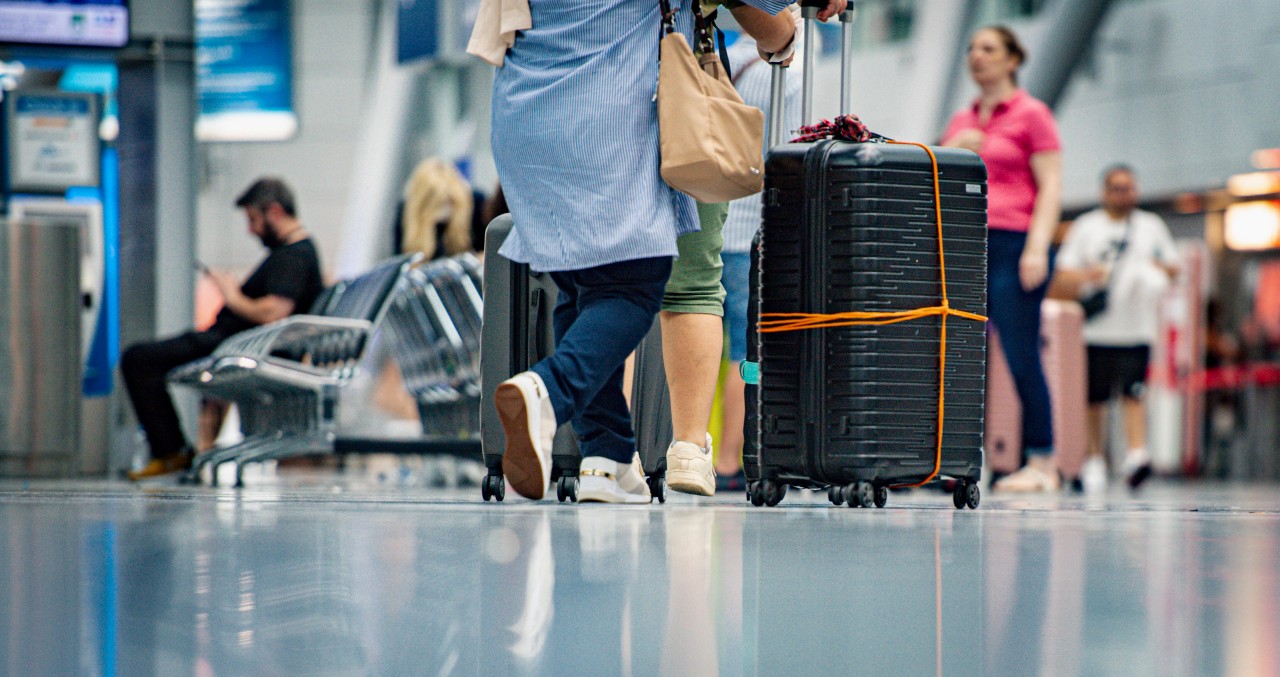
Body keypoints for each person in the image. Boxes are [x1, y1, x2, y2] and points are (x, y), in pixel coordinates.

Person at [472, 0, 830, 504]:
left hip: (523, 112)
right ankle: (546, 394)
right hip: (608, 108)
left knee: (582, 284)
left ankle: (608, 459)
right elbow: (768, 21)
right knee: (635, 284)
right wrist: (789, 26)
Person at [121, 178, 324, 480]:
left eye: (254, 220)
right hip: (236, 343)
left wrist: (232, 295)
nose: (251, 230)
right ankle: (171, 450)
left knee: (139, 358)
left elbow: (274, 312)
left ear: (276, 212)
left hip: (236, 346)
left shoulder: (293, 256)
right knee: (143, 359)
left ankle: (170, 451)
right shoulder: (293, 254)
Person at [942, 25, 1063, 492]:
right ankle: (958, 456)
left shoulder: (1033, 114)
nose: (977, 56)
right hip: (967, 244)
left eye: (988, 49)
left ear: (1013, 59)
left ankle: (1042, 460)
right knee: (960, 355)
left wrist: (1037, 246)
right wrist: (954, 149)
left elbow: (1051, 185)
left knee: (1019, 351)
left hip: (1015, 243)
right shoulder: (961, 120)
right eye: (971, 48)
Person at [710, 29, 803, 491]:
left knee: (720, 343)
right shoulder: (780, 69)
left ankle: (706, 451)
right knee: (747, 355)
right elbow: (784, 156)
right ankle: (732, 460)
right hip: (752, 231)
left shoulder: (733, 59)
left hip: (717, 223)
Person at [1054, 165, 1179, 492]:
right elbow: (1063, 273)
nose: (1125, 195)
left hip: (1137, 329)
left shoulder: (1151, 226)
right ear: (1105, 191)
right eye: (1118, 188)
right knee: (1095, 399)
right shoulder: (1086, 227)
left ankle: (1136, 454)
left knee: (1134, 393)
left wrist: (1155, 268)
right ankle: (1094, 458)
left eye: (1130, 188)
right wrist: (1088, 276)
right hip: (1097, 330)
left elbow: (1173, 266)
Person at [392, 158, 474, 261]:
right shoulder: (405, 212)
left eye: (450, 202)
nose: (445, 210)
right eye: (439, 204)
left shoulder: (472, 209)